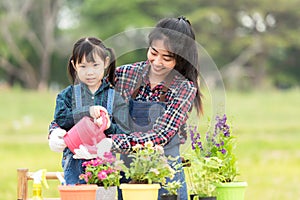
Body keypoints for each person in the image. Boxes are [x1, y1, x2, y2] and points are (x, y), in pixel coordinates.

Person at [110, 16, 203, 200]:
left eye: (167, 57)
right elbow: (89, 98)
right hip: (129, 174)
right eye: (154, 52)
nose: (158, 61)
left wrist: (113, 142)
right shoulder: (124, 75)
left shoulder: (184, 88)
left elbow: (162, 134)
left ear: (181, 60)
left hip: (166, 176)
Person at [48, 37, 129, 184]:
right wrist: (87, 112)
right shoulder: (67, 95)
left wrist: (109, 126)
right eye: (83, 66)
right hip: (74, 163)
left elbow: (125, 131)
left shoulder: (115, 97)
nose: (90, 72)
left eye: (95, 65)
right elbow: (60, 118)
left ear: (106, 62)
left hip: (105, 170)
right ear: (74, 65)